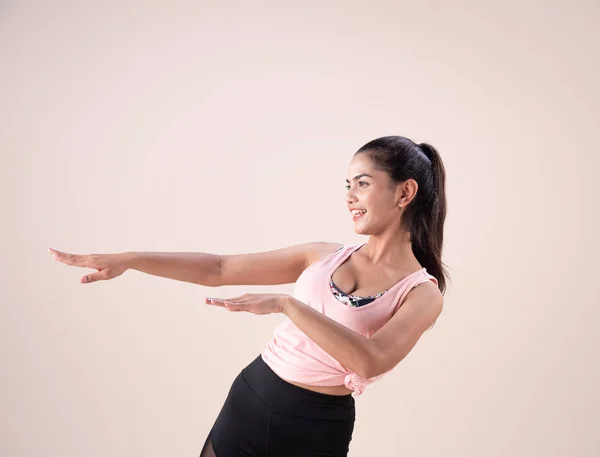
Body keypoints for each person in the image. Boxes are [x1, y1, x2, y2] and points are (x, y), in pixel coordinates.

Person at [49, 135, 448, 457]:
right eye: (347, 185)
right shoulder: (323, 255)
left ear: (405, 192)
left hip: (317, 426)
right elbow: (218, 268)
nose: (349, 197)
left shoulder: (420, 293)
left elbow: (369, 360)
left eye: (363, 183)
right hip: (254, 397)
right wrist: (133, 259)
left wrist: (285, 305)